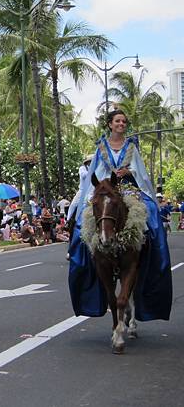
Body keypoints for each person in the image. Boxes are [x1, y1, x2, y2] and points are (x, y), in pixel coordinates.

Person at [68, 109, 172, 322]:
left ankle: (154, 252)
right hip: (106, 189)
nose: (121, 124)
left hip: (129, 189)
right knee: (81, 224)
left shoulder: (131, 147)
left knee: (152, 215)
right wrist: (105, 181)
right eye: (117, 121)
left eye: (124, 121)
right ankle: (78, 257)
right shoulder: (101, 147)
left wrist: (129, 173)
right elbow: (94, 173)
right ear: (110, 124)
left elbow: (141, 173)